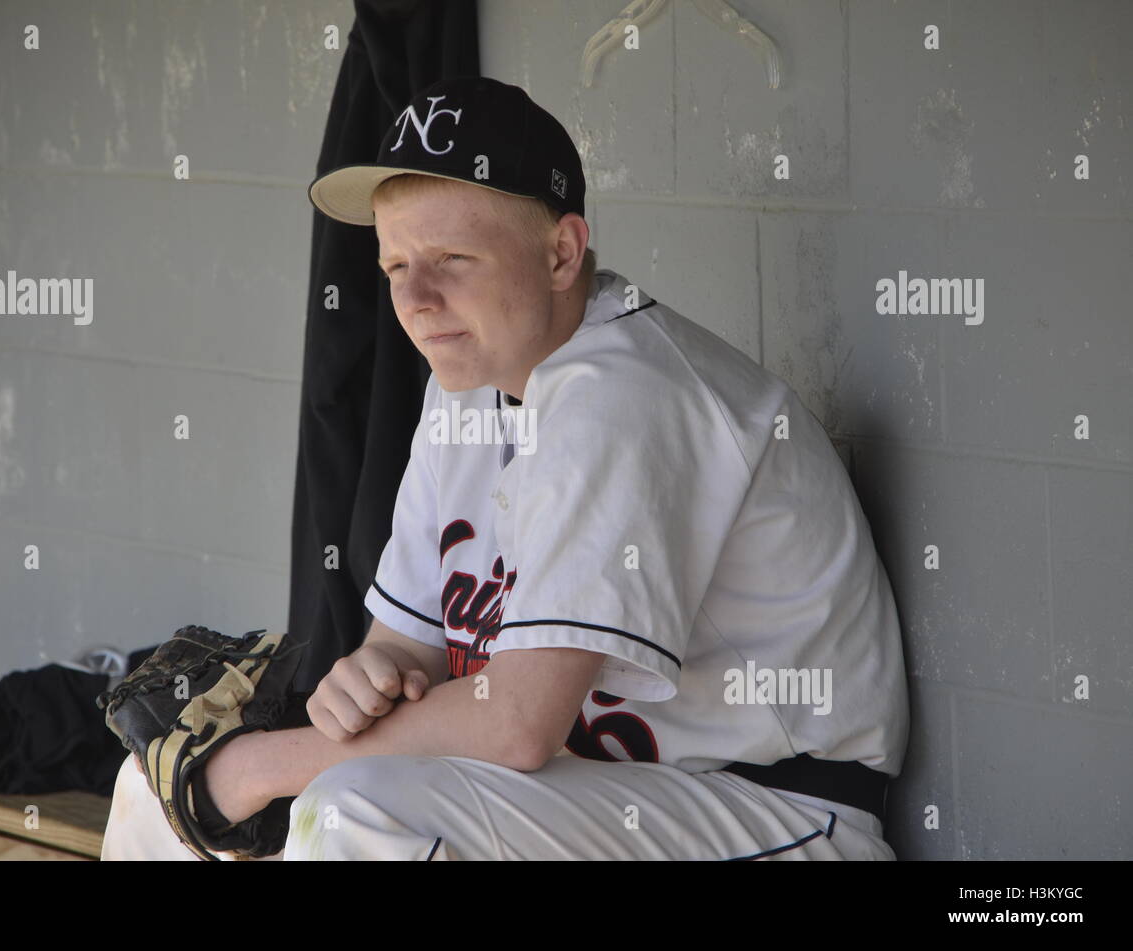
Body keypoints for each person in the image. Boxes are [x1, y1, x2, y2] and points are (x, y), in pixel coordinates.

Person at [101, 76, 909, 861]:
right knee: (152, 788)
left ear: (561, 254)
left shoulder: (626, 392)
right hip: (592, 802)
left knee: (356, 811)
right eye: (393, 267)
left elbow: (518, 723)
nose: (415, 298)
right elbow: (409, 647)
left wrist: (257, 767)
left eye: (452, 258)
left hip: (775, 813)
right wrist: (368, 681)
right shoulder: (468, 387)